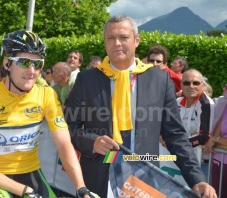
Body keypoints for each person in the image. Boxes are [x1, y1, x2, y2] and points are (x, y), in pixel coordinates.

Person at [64, 14, 217, 197]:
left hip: (143, 180)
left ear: (137, 40)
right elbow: (69, 128)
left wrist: (197, 179)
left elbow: (175, 135)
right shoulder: (86, 79)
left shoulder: (159, 80)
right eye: (111, 38)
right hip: (97, 177)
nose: (117, 43)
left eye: (124, 37)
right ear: (104, 42)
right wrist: (92, 141)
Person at [0, 30, 96, 198]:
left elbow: (64, 144)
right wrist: (24, 191)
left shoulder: (46, 95)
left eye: (38, 64)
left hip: (31, 173)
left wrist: (81, 188)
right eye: (24, 62)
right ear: (7, 64)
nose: (32, 71)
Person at [204, 84, 227, 197]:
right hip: (218, 162)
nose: (224, 89)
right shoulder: (225, 106)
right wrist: (214, 140)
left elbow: (214, 138)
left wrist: (215, 140)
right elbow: (216, 131)